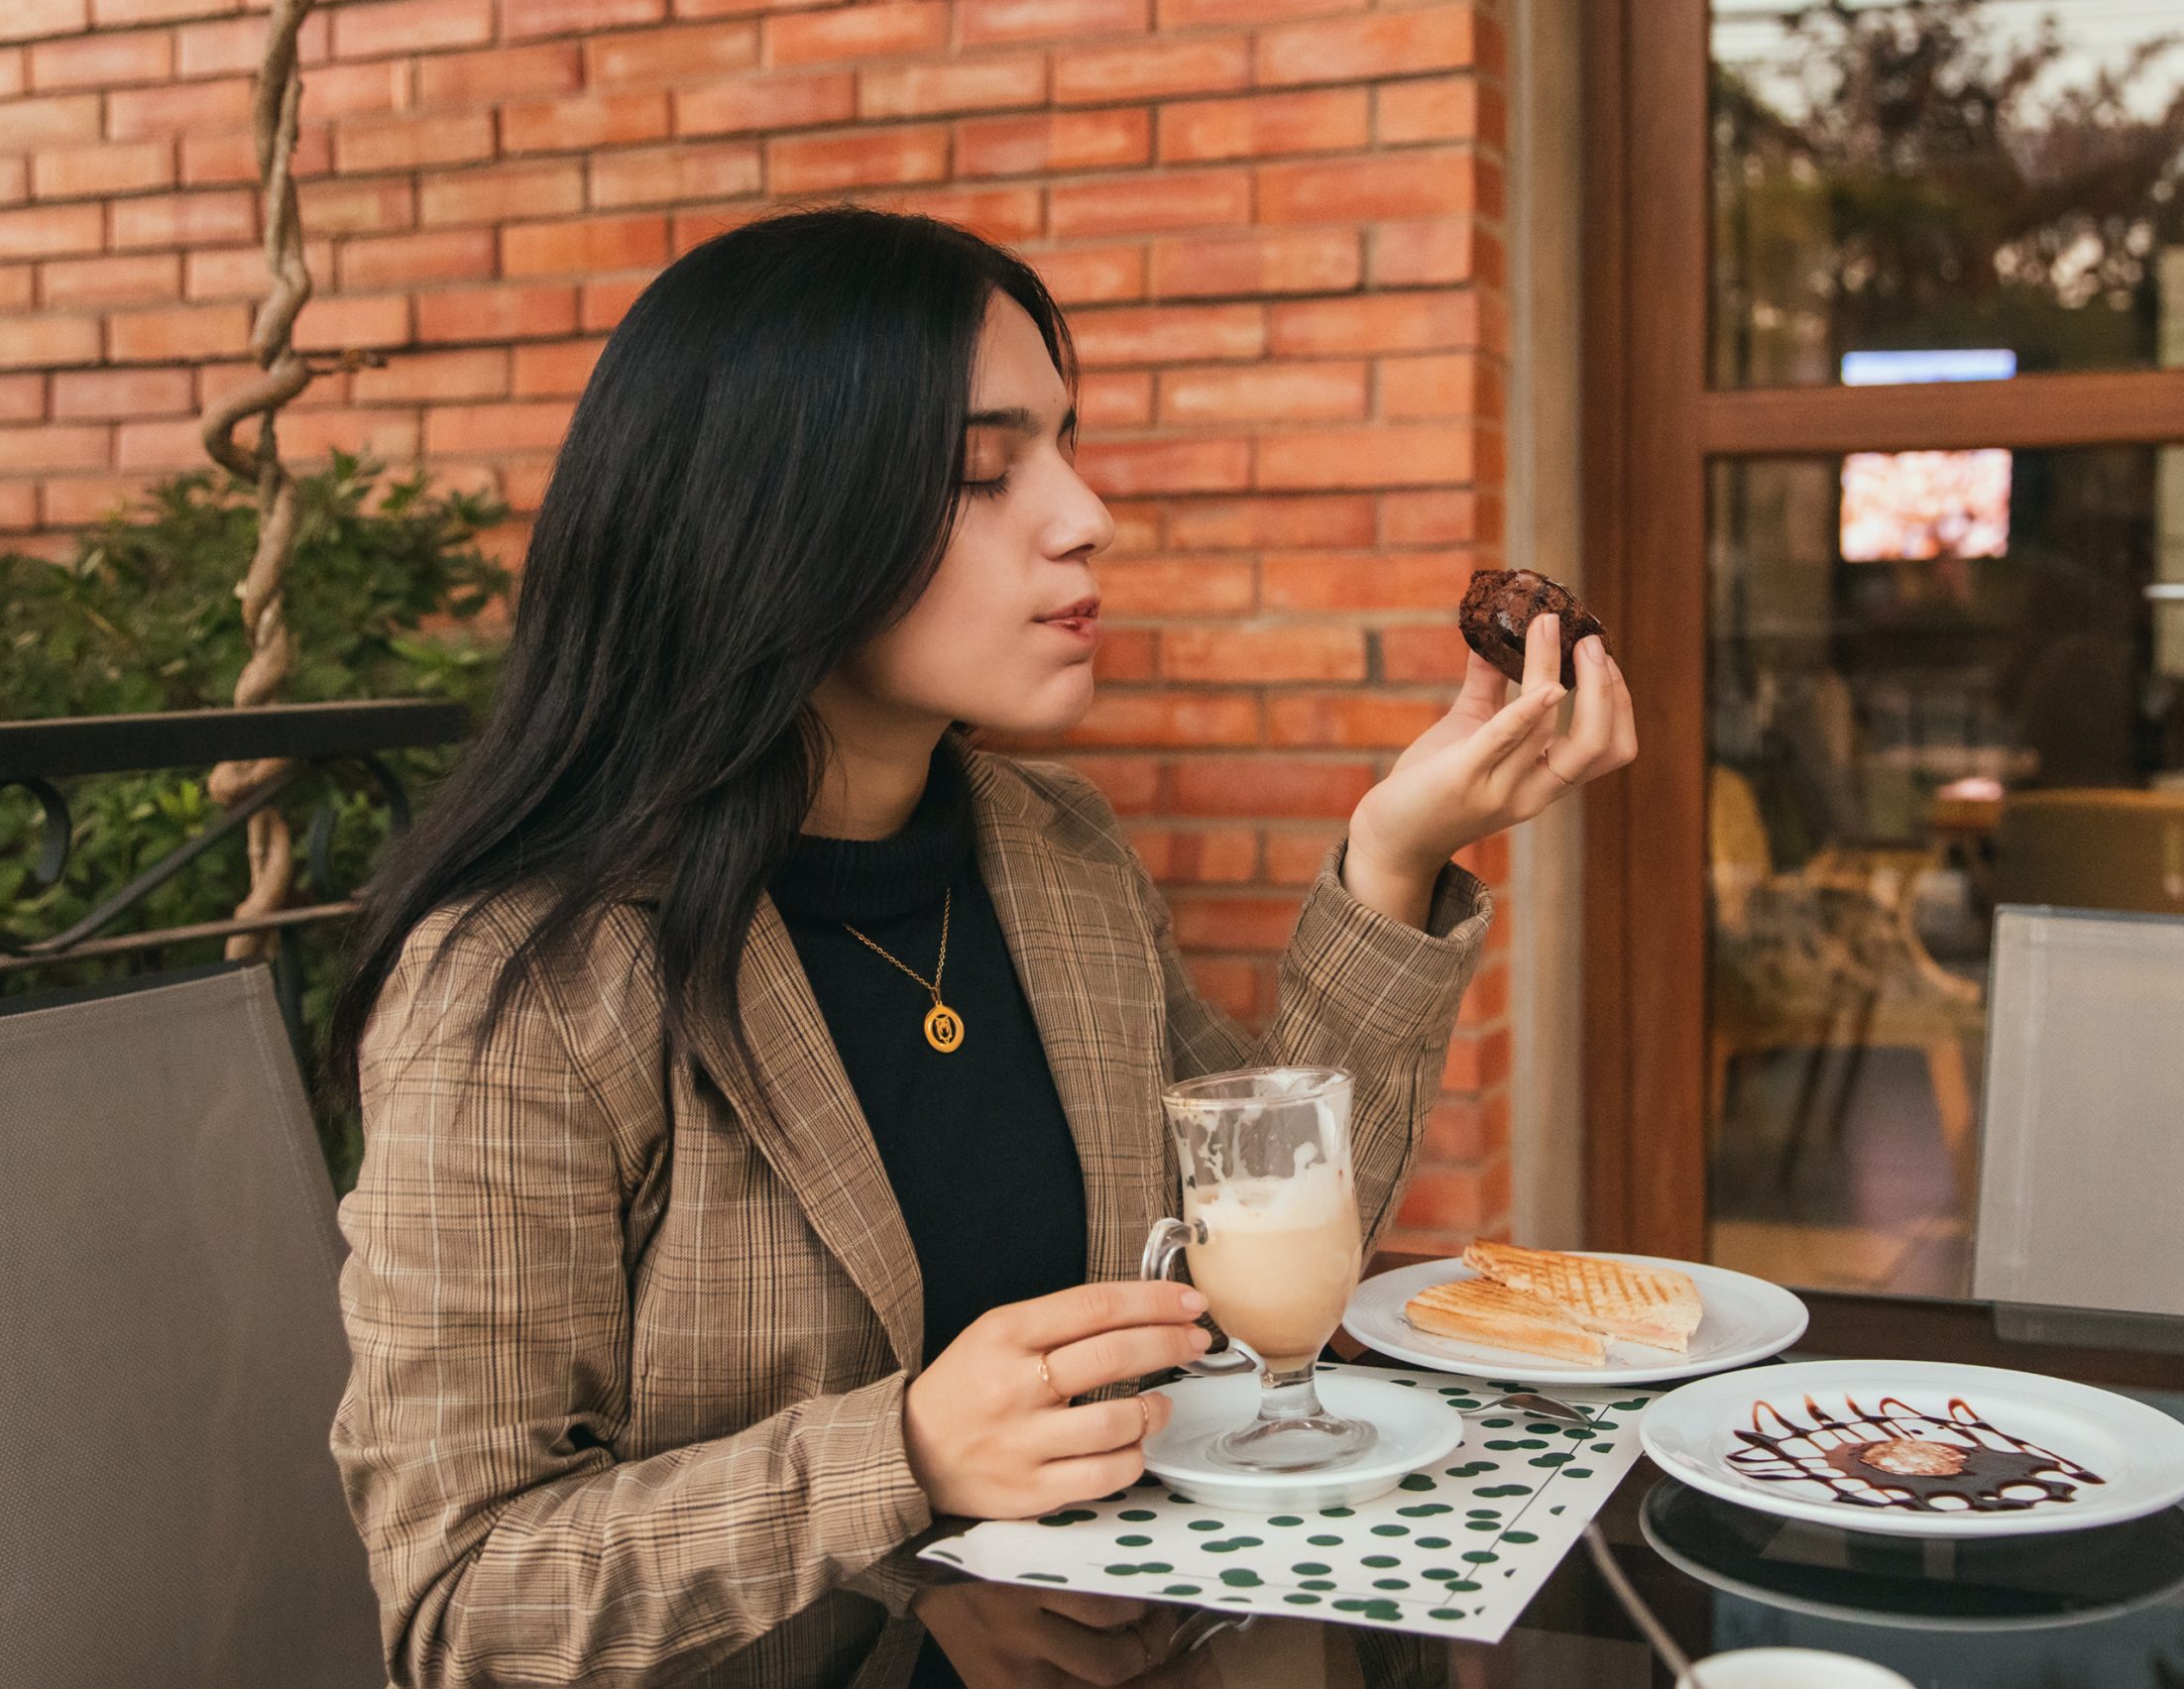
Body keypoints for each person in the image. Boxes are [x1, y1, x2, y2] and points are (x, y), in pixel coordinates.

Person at [322, 206, 1635, 1689]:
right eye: (983, 471)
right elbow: (458, 1600)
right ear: (768, 520)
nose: (1087, 515)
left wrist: (1396, 851)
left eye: (1067, 447)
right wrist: (900, 1452)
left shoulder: (1053, 855)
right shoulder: (525, 986)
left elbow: (1267, 1229)